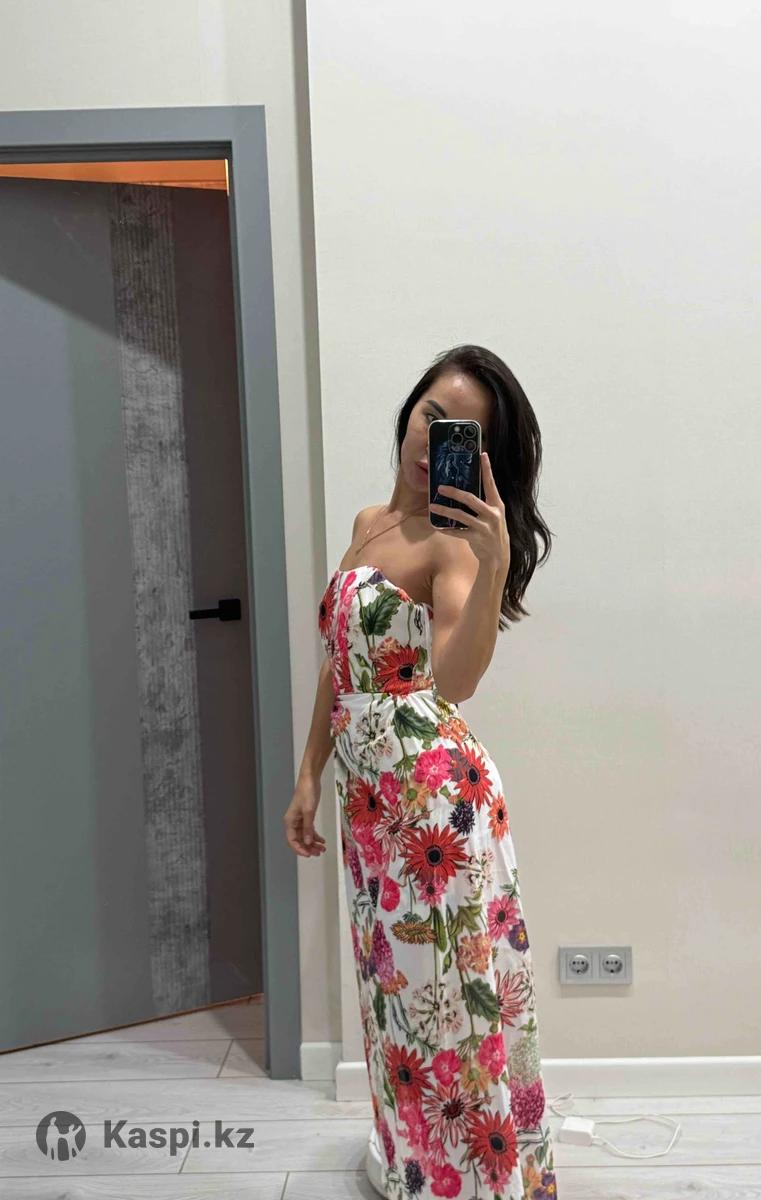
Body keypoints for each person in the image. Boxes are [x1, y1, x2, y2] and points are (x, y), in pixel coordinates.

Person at [285, 344, 559, 1200]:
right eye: (429, 416)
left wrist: (494, 560)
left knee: (447, 994)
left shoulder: (453, 546)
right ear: (408, 413)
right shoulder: (368, 521)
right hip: (370, 804)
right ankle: (420, 1165)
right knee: (395, 997)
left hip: (431, 803)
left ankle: (476, 1178)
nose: (430, 439)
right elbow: (341, 663)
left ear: (479, 457)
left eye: (458, 432)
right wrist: (307, 775)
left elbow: (456, 680)